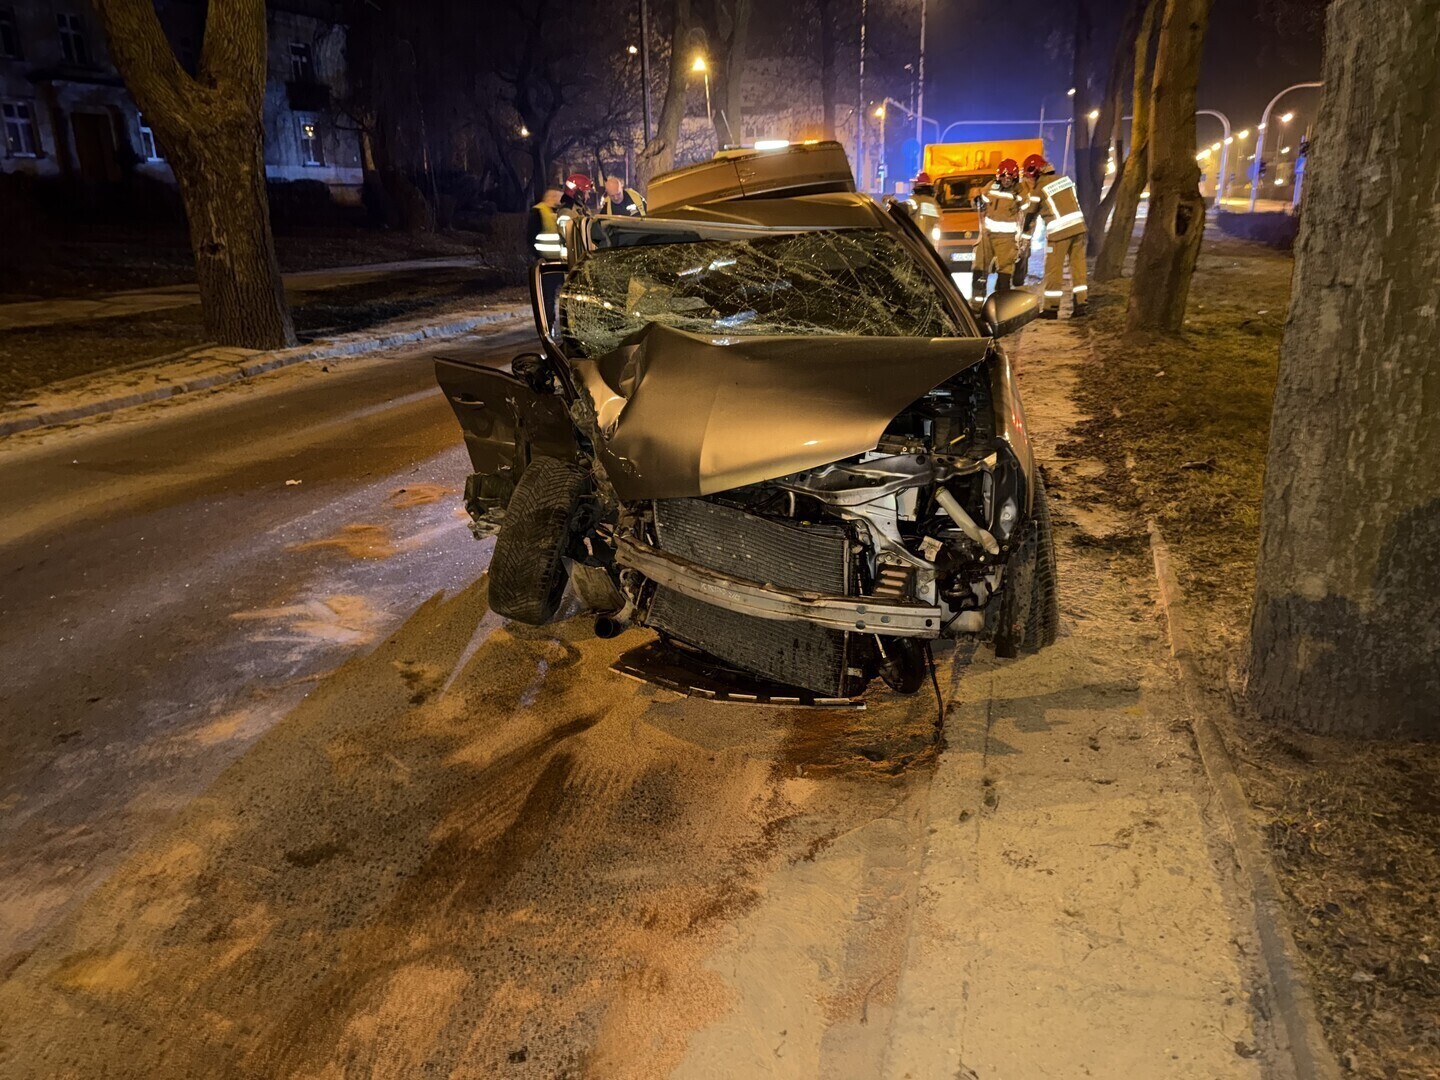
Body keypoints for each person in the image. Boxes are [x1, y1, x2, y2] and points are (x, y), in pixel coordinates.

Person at [1021, 152, 1089, 318]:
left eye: (1028, 177)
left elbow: (1031, 214)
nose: (1028, 181)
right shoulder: (1065, 180)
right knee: (1078, 268)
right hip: (1078, 229)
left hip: (1059, 233)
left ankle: (1051, 308)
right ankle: (1081, 305)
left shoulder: (1040, 187)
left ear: (1034, 172)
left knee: (1053, 270)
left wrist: (1024, 236)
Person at [970, 158, 1029, 303]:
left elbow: (1027, 209)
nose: (1006, 180)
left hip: (1006, 239)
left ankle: (1002, 305)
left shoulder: (1020, 190)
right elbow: (979, 202)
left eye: (1009, 177)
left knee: (1004, 271)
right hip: (987, 236)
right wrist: (976, 201)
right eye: (1003, 176)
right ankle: (976, 305)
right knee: (979, 268)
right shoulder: (991, 186)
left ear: (1015, 177)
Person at [527, 186, 564, 262]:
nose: (561, 200)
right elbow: (531, 237)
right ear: (551, 197)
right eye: (559, 197)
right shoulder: (538, 212)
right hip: (544, 259)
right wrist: (537, 257)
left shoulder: (557, 211)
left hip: (558, 259)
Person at [904, 172, 941, 242]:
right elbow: (938, 220)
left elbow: (905, 207)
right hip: (929, 243)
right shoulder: (933, 203)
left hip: (916, 240)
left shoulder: (916, 200)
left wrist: (894, 203)